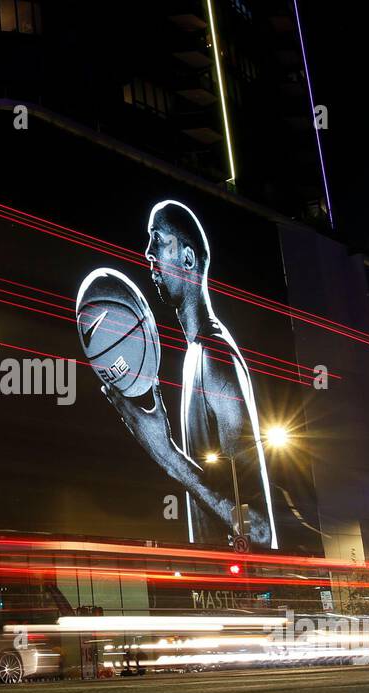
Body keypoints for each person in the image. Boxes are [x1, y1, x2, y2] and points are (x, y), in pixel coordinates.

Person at [102, 201, 277, 549]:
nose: (148, 252)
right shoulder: (195, 354)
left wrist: (166, 454)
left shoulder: (214, 357)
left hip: (241, 595)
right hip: (222, 594)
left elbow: (259, 531)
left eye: (158, 239)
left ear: (187, 258)